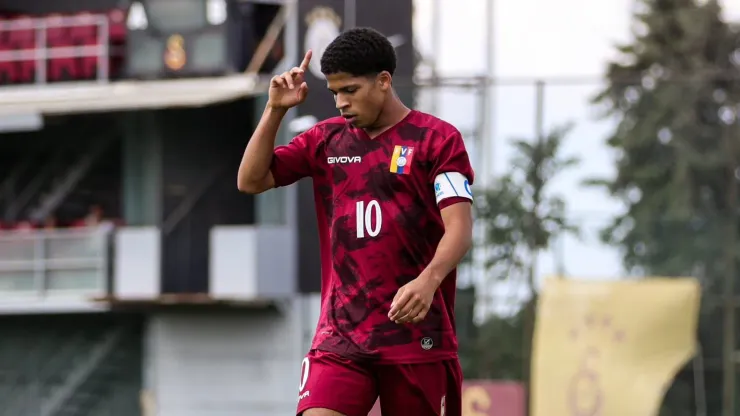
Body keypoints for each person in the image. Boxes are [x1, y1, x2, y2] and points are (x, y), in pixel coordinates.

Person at [237, 27, 474, 416]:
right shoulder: (325, 141)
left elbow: (460, 230)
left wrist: (428, 280)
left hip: (415, 338)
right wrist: (275, 109)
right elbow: (251, 180)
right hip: (341, 336)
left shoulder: (437, 140)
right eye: (334, 93)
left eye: (350, 90)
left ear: (383, 81)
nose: (340, 103)